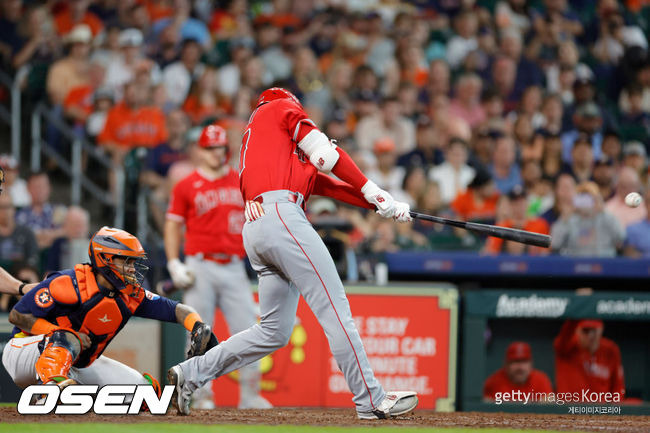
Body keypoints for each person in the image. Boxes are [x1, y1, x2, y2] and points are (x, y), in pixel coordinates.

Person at [167, 88, 417, 419]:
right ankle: (370, 399)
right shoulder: (279, 107)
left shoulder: (268, 148)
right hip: (281, 216)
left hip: (258, 230)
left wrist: (383, 203)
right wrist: (374, 189)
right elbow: (327, 157)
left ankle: (191, 373)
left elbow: (330, 184)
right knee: (334, 308)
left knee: (273, 331)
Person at [2, 226, 213, 394]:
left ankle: (61, 383)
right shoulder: (69, 283)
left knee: (144, 394)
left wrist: (197, 325)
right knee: (68, 338)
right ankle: (49, 390)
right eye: (127, 261)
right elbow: (17, 316)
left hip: (76, 363)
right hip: (24, 353)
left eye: (134, 262)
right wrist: (57, 333)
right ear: (105, 259)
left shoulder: (131, 294)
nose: (132, 268)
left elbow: (175, 309)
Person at [164, 124, 271, 410]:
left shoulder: (240, 181)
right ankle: (201, 394)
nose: (216, 153)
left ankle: (250, 394)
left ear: (226, 149)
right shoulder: (186, 184)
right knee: (199, 331)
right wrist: (174, 261)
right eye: (210, 147)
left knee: (250, 330)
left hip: (234, 265)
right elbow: (173, 224)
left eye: (220, 147)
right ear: (200, 150)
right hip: (200, 265)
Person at [554, 319, 625, 401]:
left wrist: (614, 411)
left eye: (593, 330)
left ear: (601, 329)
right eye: (586, 331)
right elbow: (566, 332)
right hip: (571, 410)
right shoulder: (567, 347)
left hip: (601, 411)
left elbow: (618, 387)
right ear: (576, 330)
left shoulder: (611, 350)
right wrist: (581, 312)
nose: (590, 336)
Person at [550, 181, 625, 257]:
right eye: (582, 197)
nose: (585, 202)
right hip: (575, 265)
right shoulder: (570, 219)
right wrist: (565, 217)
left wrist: (603, 210)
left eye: (590, 198)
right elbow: (555, 244)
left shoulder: (605, 217)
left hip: (604, 263)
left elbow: (621, 238)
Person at [0, 168, 36, 297]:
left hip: (20, 274)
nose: (6, 211)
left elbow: (32, 260)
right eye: (2, 207)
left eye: (8, 206)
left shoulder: (25, 232)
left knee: (27, 275)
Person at [483, 342, 553, 400]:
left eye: (524, 361)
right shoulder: (493, 383)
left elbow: (548, 404)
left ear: (531, 364)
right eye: (515, 362)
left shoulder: (541, 380)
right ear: (506, 364)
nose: (520, 367)